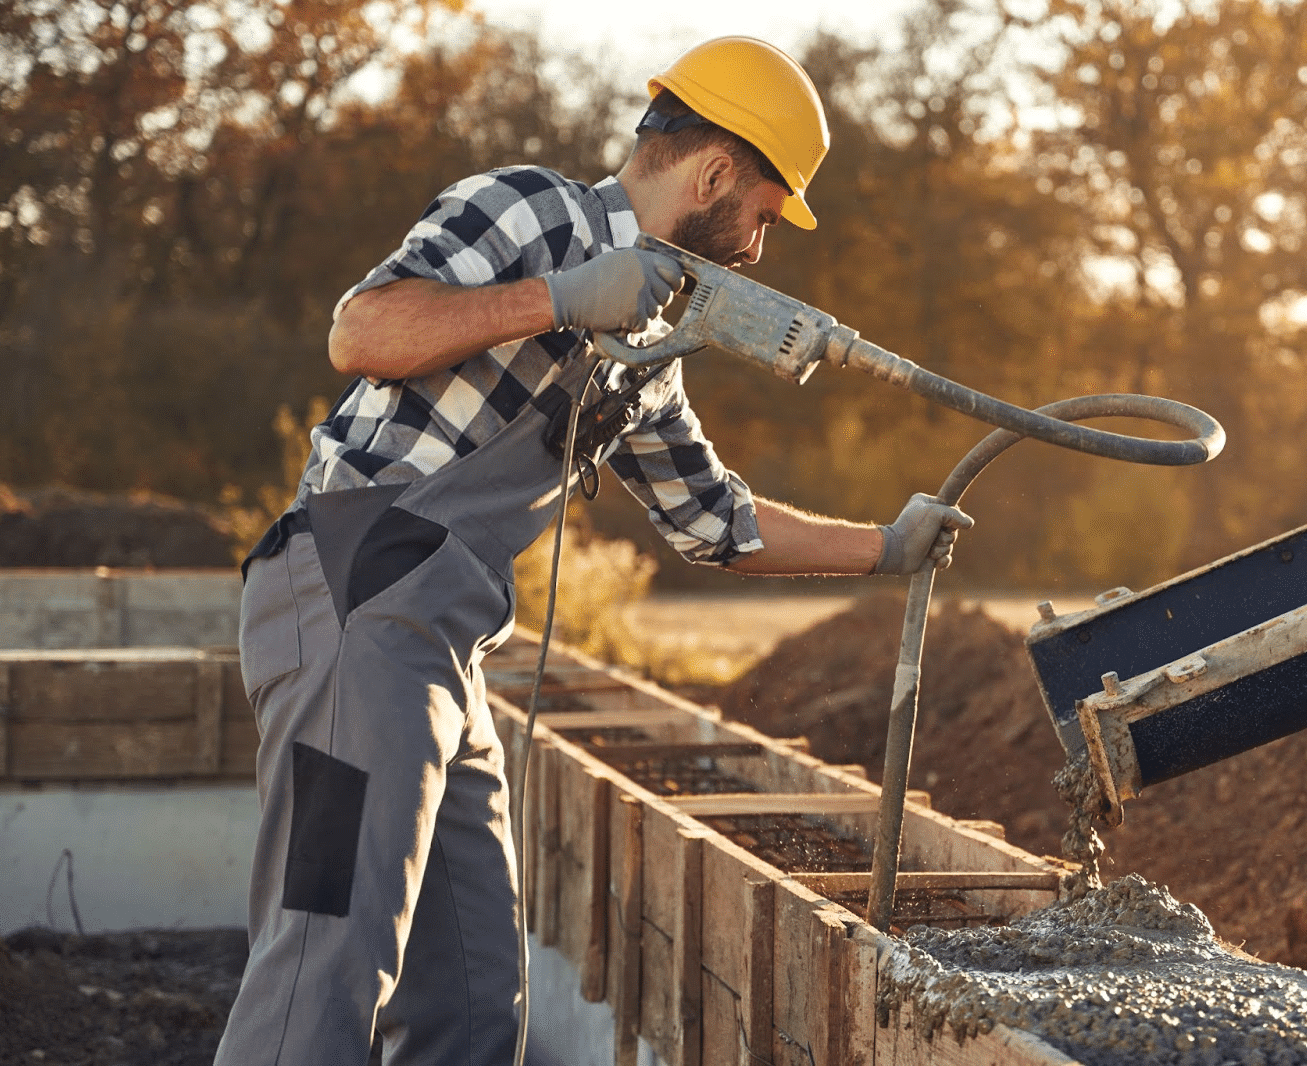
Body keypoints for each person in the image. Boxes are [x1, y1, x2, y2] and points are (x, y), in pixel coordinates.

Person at [213, 36, 971, 1066]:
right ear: (711, 175)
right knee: (323, 958)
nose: (755, 247)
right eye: (758, 212)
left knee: (472, 997)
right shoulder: (530, 213)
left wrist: (886, 545)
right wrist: (557, 299)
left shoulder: (649, 357)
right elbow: (364, 330)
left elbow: (715, 522)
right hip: (351, 597)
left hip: (439, 648)